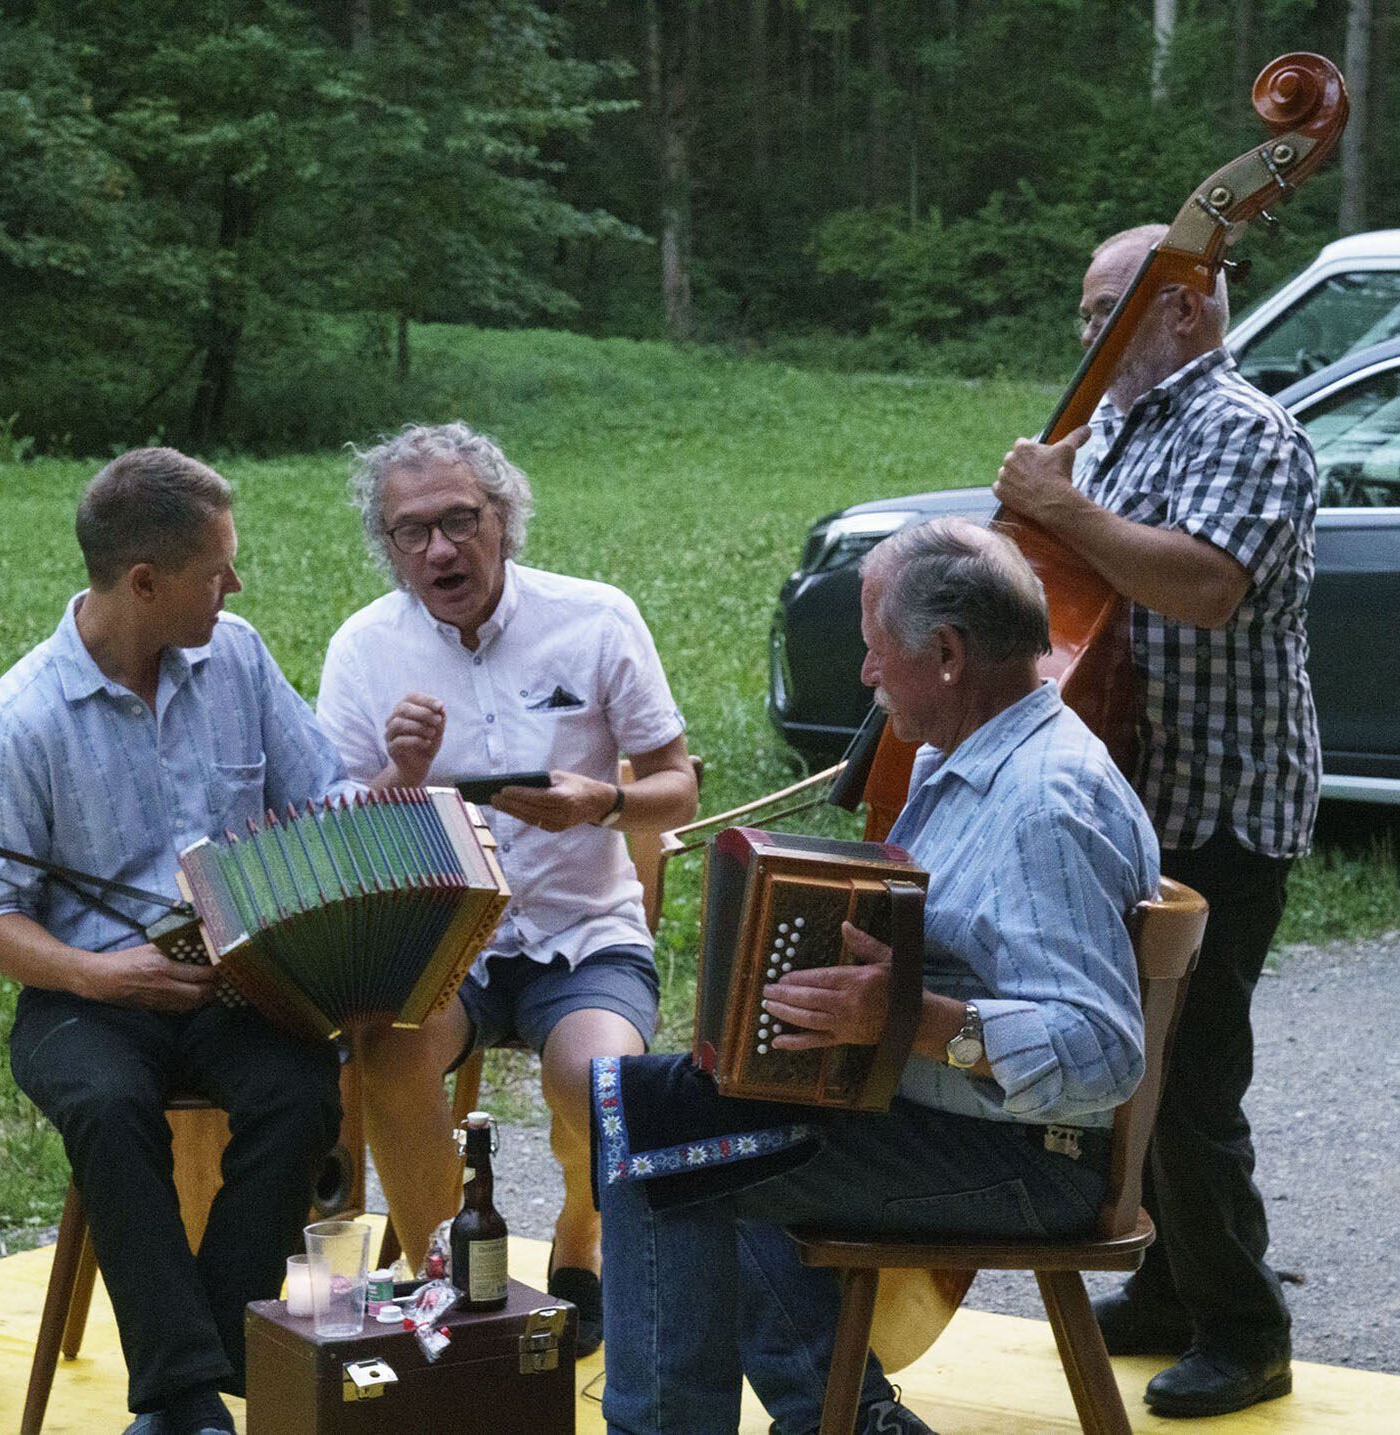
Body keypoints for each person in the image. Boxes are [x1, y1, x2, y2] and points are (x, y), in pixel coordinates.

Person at [596, 517, 1160, 1435]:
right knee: (685, 1100)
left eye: (874, 650)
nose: (865, 675)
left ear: (945, 654)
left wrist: (907, 1018)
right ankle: (847, 1416)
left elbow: (1103, 1053)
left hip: (1031, 1163)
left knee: (650, 1130)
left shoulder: (1044, 802)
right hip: (963, 1123)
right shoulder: (976, 756)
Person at [0, 448, 351, 1435]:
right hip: (82, 989)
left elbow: (325, 790)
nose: (235, 587)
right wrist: (101, 973)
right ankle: (187, 1400)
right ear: (146, 582)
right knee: (106, 1104)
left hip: (227, 979)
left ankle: (198, 1367)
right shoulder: (20, 719)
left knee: (301, 1089)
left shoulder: (240, 657)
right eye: (219, 570)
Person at [993, 222, 1321, 1417]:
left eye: (1106, 312)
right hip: (1136, 788)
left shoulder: (1245, 427)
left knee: (1190, 1083)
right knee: (1138, 1064)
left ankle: (1248, 1329)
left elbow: (1203, 582)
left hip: (1224, 804)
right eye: (1082, 312)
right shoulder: (1132, 422)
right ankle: (1174, 1289)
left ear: (1183, 309)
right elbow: (1087, 588)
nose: (1087, 336)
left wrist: (1059, 508)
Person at [316, 421, 698, 1354]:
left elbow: (677, 784)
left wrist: (601, 801)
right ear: (391, 547)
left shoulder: (597, 616)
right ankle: (446, 1282)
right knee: (387, 1048)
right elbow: (331, 830)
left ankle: (581, 1233)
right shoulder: (363, 649)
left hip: (587, 928)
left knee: (600, 1081)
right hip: (445, 936)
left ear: (504, 519)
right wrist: (395, 784)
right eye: (413, 531)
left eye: (461, 519)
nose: (441, 547)